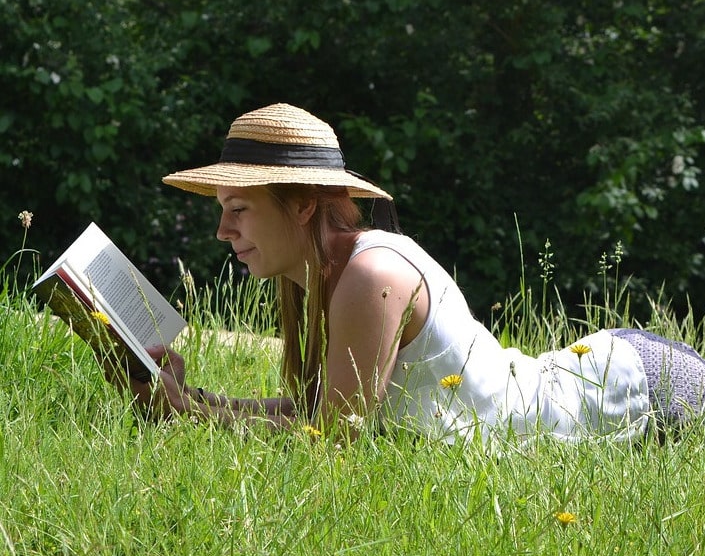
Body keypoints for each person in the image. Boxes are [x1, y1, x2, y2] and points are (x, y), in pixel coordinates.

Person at [106, 103, 705, 444]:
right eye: (221, 212)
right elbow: (316, 416)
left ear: (303, 206)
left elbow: (333, 447)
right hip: (597, 376)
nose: (222, 232)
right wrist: (192, 402)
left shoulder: (370, 277)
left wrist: (190, 416)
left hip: (643, 393)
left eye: (239, 211)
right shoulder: (323, 276)